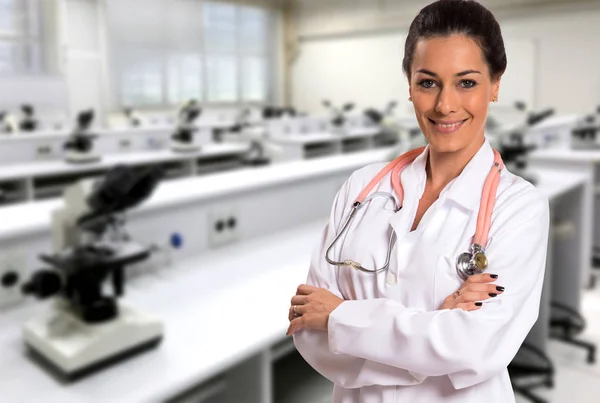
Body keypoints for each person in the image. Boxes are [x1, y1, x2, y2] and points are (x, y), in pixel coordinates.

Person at [287, 0, 550, 402]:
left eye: (466, 82)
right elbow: (308, 329)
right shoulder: (362, 189)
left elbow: (474, 349)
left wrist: (340, 319)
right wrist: (432, 337)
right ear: (409, 85)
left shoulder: (519, 208)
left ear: (495, 85)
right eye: (428, 82)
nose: (445, 105)